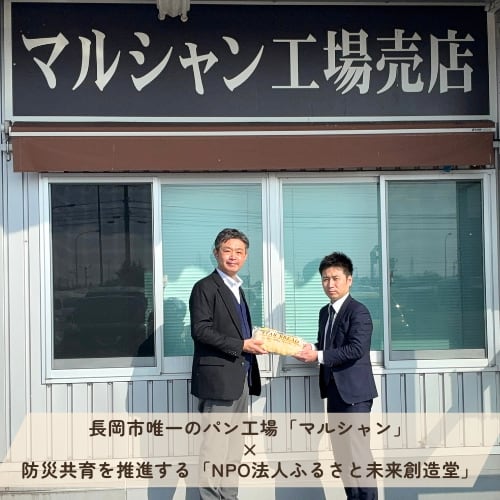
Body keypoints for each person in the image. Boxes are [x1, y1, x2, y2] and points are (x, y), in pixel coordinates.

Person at [189, 228, 267, 500]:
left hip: (240, 377)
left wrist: (254, 342)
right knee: (214, 448)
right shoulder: (205, 287)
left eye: (239, 252)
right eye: (227, 250)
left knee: (234, 447)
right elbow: (200, 330)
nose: (233, 256)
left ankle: (229, 496)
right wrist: (242, 345)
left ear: (246, 256)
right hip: (218, 381)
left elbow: (236, 331)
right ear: (216, 253)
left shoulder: (238, 288)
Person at [294, 251, 378, 500]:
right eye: (325, 279)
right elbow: (325, 346)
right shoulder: (325, 312)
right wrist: (309, 349)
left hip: (355, 395)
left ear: (349, 280)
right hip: (334, 392)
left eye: (335, 278)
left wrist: (318, 356)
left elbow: (355, 349)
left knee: (358, 455)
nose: (330, 284)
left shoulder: (358, 311)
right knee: (342, 456)